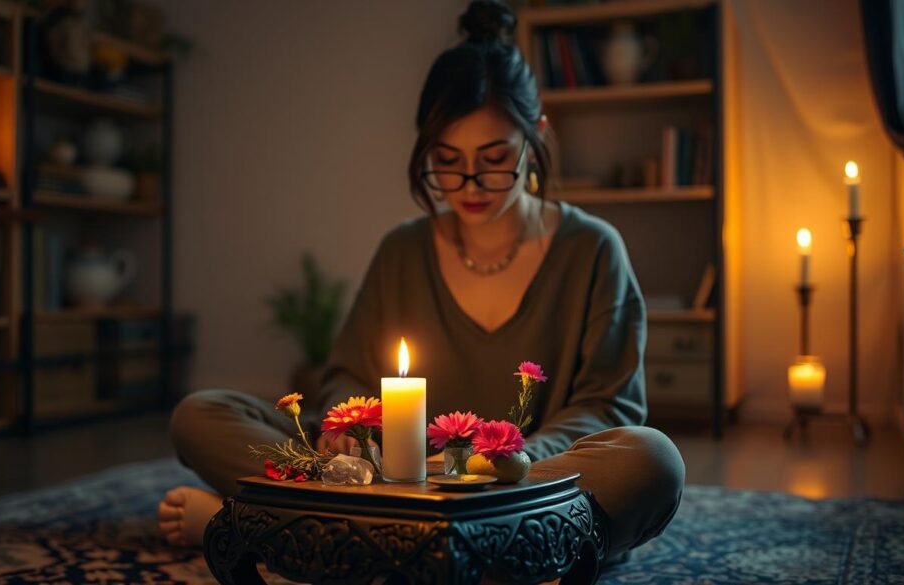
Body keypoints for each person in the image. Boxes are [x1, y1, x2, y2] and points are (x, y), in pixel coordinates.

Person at [158, 0, 685, 575]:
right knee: (200, 413)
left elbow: (607, 406)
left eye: (493, 160)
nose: (469, 185)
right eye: (447, 160)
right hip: (389, 478)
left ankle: (278, 529)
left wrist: (514, 458)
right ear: (425, 147)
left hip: (518, 486)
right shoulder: (403, 250)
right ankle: (480, 556)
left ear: (536, 137)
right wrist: (351, 435)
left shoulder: (592, 248)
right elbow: (348, 378)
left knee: (651, 460)